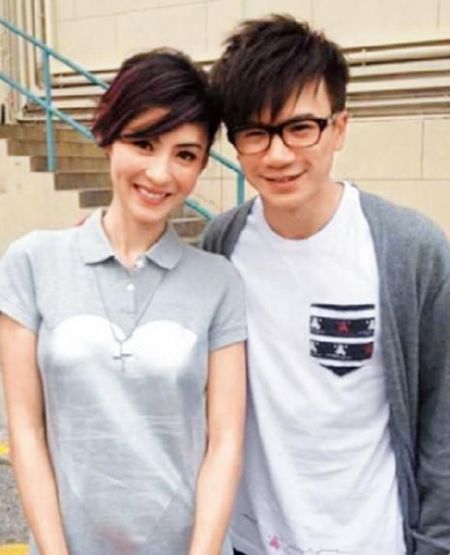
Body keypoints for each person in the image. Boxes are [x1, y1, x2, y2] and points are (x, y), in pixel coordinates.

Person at [202, 14, 450, 555]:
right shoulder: (222, 245)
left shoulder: (410, 250)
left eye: (300, 127)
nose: (278, 154)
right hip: (252, 541)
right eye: (255, 133)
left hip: (372, 541)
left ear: (339, 127)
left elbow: (442, 416)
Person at [0, 48, 246, 555]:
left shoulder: (219, 281)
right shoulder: (31, 261)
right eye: (143, 142)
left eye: (185, 155)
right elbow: (26, 428)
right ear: (108, 136)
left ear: (201, 165)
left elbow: (224, 442)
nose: (160, 173)